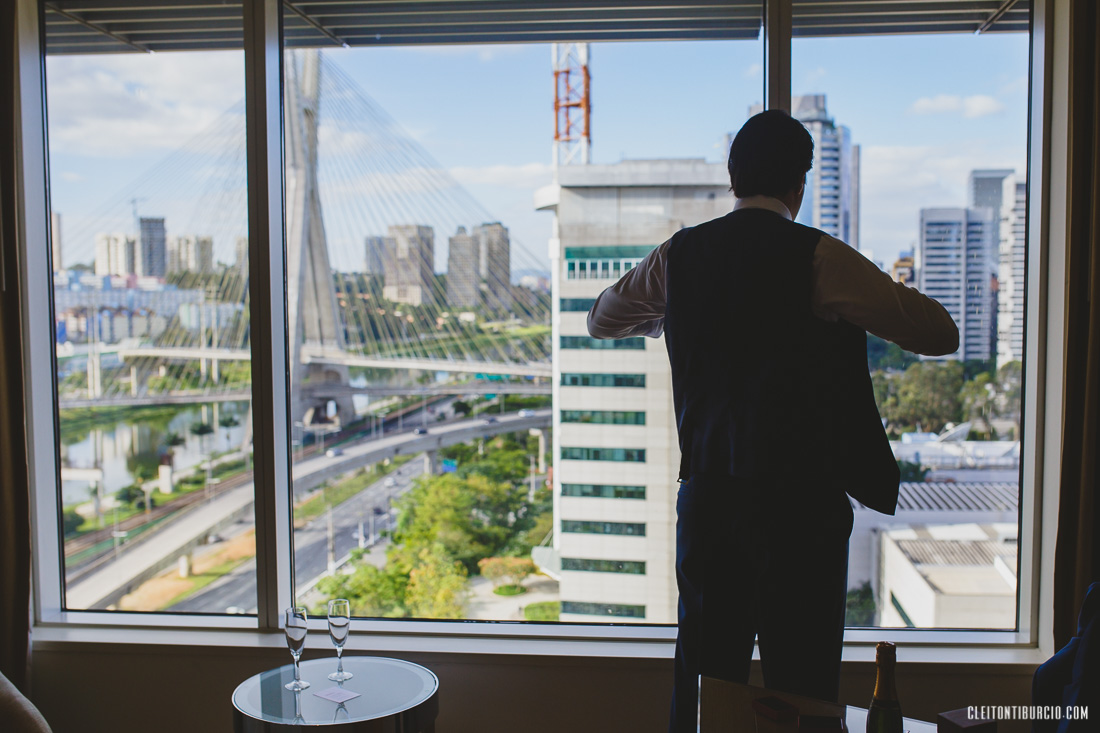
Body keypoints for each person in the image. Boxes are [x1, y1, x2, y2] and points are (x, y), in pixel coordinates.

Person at [586, 110, 960, 732]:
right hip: (801, 511)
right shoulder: (820, 257)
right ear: (799, 185)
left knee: (704, 680)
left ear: (734, 179)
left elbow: (602, 317)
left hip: (710, 503)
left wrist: (666, 318)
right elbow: (939, 333)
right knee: (805, 685)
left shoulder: (678, 256)